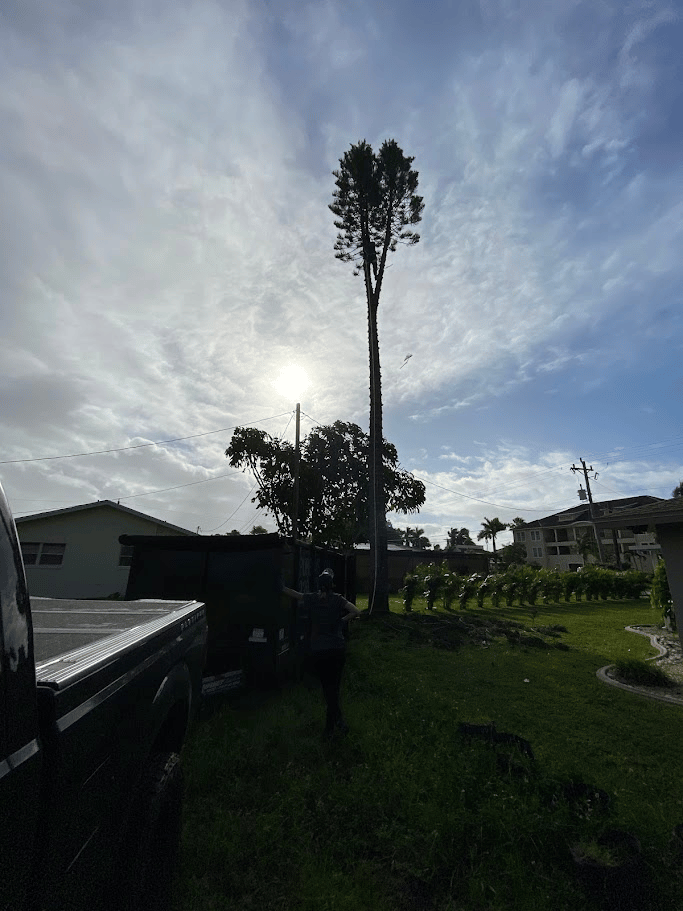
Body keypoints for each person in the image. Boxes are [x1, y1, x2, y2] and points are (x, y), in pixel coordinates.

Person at [283, 569, 361, 739]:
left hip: (320, 650)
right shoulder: (338, 599)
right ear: (331, 585)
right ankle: (334, 725)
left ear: (318, 585)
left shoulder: (312, 598)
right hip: (337, 649)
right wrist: (341, 621)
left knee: (328, 690)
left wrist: (280, 587)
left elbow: (296, 595)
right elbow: (356, 611)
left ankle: (332, 727)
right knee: (334, 689)